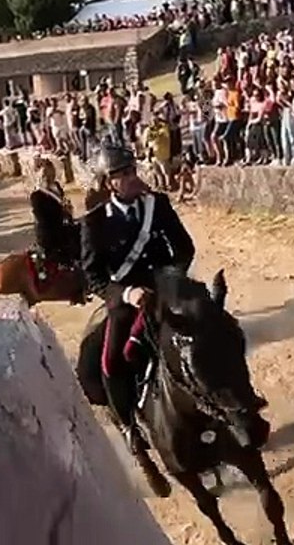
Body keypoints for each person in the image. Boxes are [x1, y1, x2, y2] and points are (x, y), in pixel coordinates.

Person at [80, 145, 196, 460]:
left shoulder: (157, 205)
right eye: (123, 174)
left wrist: (168, 279)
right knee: (110, 362)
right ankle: (130, 426)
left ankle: (240, 405)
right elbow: (94, 277)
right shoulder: (94, 223)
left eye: (133, 171)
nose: (132, 178)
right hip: (128, 304)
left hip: (166, 291)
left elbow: (184, 249)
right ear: (109, 183)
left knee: (213, 331)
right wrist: (126, 294)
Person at [28, 158, 79, 300]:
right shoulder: (37, 196)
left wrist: (68, 212)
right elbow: (44, 219)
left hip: (61, 224)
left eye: (50, 173)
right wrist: (62, 212)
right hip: (49, 232)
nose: (48, 177)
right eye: (44, 175)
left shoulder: (57, 187)